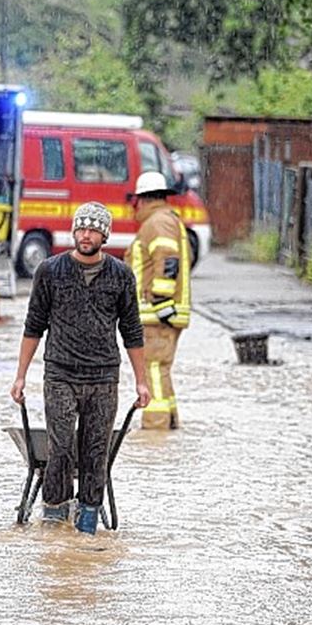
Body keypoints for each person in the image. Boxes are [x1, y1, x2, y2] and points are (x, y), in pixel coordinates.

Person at [9, 202, 151, 534]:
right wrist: (20, 375)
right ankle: (55, 519)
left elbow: (132, 331)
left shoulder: (120, 275)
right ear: (73, 231)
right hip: (60, 374)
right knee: (59, 450)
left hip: (103, 377)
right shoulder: (50, 271)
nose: (86, 235)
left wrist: (141, 382)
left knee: (95, 452)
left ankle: (87, 523)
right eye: (81, 228)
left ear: (105, 234)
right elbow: (34, 326)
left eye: (93, 229)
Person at [125, 171, 192, 430]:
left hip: (157, 314)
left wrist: (161, 301)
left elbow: (167, 259)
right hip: (162, 313)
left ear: (141, 200)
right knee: (160, 370)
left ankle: (155, 430)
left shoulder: (157, 223)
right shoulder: (165, 219)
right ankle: (170, 424)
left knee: (152, 369)